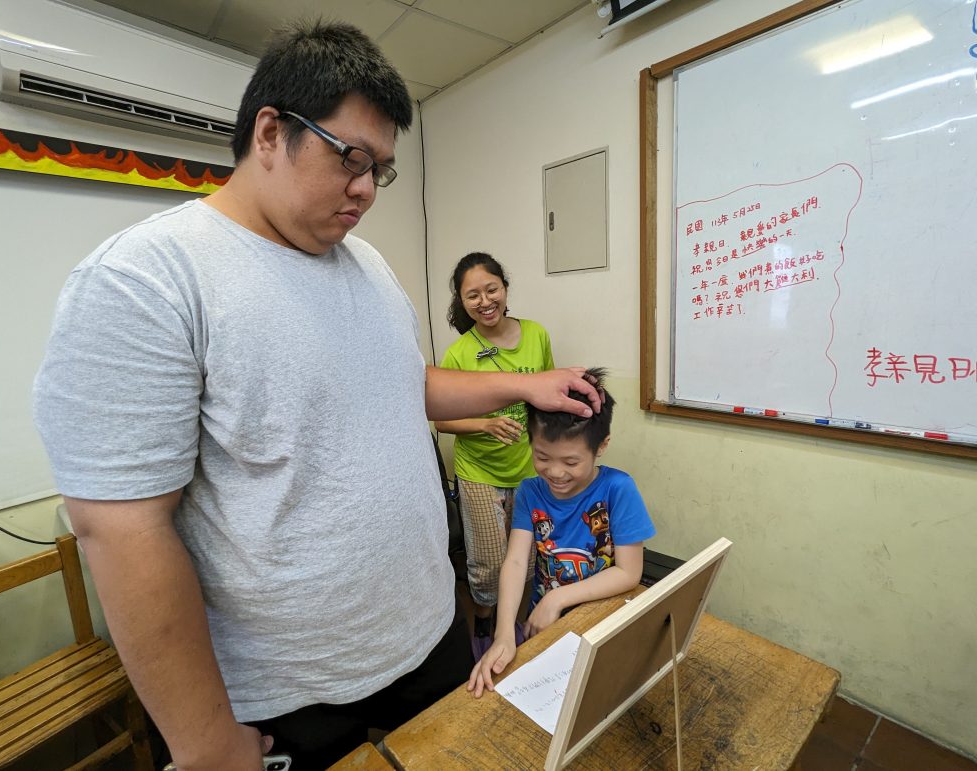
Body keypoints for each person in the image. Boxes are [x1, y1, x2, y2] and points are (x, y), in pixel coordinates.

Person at [32, 21, 601, 771]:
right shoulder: (148, 279)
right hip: (288, 693)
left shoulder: (365, 263)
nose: (366, 187)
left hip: (427, 637)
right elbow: (122, 530)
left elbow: (405, 381)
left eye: (382, 169)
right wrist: (206, 745)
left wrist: (525, 381)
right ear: (271, 131)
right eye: (352, 158)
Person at [466, 369, 655, 698]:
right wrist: (504, 633)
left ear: (601, 446)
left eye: (570, 461)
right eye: (541, 457)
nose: (555, 472)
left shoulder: (618, 489)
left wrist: (557, 597)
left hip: (602, 616)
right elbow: (513, 562)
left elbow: (629, 572)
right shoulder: (530, 491)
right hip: (544, 623)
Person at [434, 253, 554, 654]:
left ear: (505, 288)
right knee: (488, 565)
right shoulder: (459, 354)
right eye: (473, 295)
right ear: (461, 301)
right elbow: (443, 423)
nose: (484, 301)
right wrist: (485, 424)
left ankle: (516, 625)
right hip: (479, 472)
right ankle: (484, 624)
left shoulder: (536, 335)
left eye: (491, 289)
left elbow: (546, 399)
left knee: (530, 558)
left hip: (529, 471)